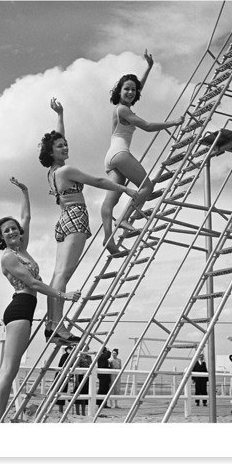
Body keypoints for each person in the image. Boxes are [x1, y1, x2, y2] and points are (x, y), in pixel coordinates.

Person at [39, 98, 139, 342]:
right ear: (51, 153)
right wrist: (125, 190)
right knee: (63, 276)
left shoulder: (52, 171)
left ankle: (52, 324)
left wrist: (60, 115)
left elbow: (56, 138)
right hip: (75, 219)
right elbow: (99, 182)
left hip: (63, 221)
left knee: (56, 275)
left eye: (65, 145)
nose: (64, 147)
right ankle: (58, 327)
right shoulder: (66, 170)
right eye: (60, 147)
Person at [0, 177, 81, 422]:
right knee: (8, 370)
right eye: (6, 230)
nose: (12, 231)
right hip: (19, 308)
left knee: (11, 369)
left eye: (13, 228)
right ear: (2, 237)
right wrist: (63, 295)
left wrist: (25, 192)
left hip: (25, 309)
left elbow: (26, 218)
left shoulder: (22, 249)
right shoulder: (9, 257)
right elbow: (34, 284)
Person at [101, 50, 185, 254]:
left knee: (110, 201)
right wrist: (173, 122)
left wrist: (148, 67)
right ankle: (125, 219)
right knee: (147, 186)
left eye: (132, 90)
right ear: (119, 91)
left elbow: (138, 87)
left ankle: (108, 241)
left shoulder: (124, 107)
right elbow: (146, 126)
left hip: (111, 156)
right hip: (120, 153)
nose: (130, 92)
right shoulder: (123, 109)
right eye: (126, 89)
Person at [74, 345, 92, 416]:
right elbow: (76, 366)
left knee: (85, 394)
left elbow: (91, 365)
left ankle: (83, 412)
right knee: (78, 394)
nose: (85, 350)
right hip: (79, 376)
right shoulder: (78, 357)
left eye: (87, 349)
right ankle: (77, 412)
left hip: (86, 376)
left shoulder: (89, 357)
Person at [56, 345, 73, 413]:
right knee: (61, 392)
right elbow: (62, 365)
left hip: (66, 375)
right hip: (62, 376)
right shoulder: (65, 356)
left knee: (64, 391)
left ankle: (62, 409)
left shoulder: (70, 356)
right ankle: (60, 410)